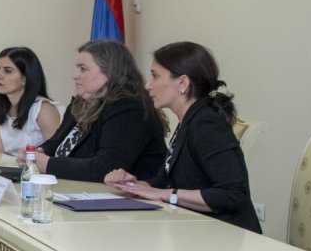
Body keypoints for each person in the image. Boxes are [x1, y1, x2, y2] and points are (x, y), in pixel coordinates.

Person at [105, 42, 260, 232]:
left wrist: (166, 194)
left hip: (227, 237)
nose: (148, 85)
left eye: (155, 76)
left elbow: (233, 194)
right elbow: (163, 182)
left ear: (183, 83)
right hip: (197, 232)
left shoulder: (206, 124)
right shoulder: (189, 120)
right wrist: (133, 185)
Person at [25, 39, 166, 182]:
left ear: (109, 73)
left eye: (83, 69)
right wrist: (39, 153)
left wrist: (48, 164)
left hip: (121, 193)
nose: (76, 75)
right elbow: (57, 142)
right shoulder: (80, 103)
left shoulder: (129, 109)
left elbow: (106, 168)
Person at [0, 46, 61, 156]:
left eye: (7, 71)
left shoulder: (43, 109)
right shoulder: (0, 110)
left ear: (25, 78)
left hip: (37, 167)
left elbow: (57, 156)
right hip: (9, 167)